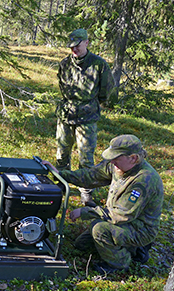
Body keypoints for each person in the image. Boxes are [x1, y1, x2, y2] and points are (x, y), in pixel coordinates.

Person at [42, 134, 163, 274]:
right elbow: (90, 176)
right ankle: (131, 248)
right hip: (119, 219)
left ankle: (121, 263)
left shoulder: (144, 180)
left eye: (116, 159)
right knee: (81, 244)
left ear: (134, 158)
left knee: (99, 230)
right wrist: (61, 174)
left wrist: (85, 212)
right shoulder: (118, 166)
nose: (112, 162)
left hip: (139, 228)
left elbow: (121, 215)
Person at [56, 28, 115, 206]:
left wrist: (97, 104)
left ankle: (86, 191)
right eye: (71, 46)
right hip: (66, 113)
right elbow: (61, 84)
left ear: (87, 43)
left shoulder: (99, 64)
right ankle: (61, 182)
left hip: (87, 117)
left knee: (86, 156)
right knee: (62, 151)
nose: (74, 49)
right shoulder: (65, 63)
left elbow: (106, 89)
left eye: (77, 46)